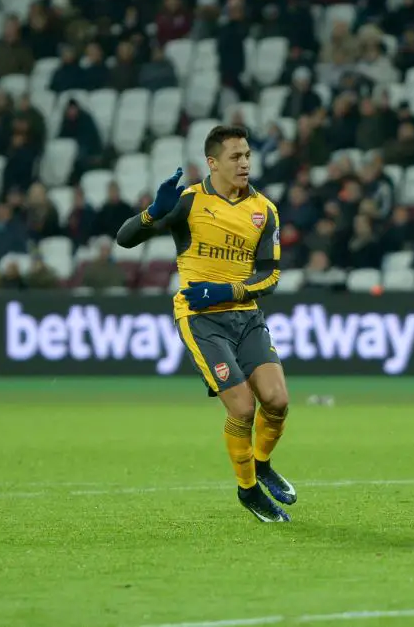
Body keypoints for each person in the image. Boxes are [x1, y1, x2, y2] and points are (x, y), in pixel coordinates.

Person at [115, 126, 294, 523]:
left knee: (278, 401)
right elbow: (124, 239)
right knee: (243, 408)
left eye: (247, 155)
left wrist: (227, 291)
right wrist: (152, 213)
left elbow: (270, 275)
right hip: (201, 321)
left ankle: (262, 464)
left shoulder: (264, 210)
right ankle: (248, 490)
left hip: (245, 316)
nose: (244, 163)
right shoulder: (189, 202)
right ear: (213, 163)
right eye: (235, 157)